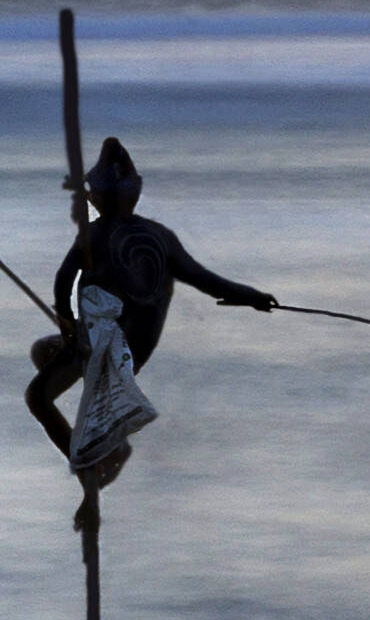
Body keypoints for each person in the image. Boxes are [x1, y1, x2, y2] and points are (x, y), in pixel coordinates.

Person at [21, 138, 279, 490]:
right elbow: (208, 281)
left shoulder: (95, 234)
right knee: (44, 350)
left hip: (104, 348)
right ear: (136, 192)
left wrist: (66, 317)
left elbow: (64, 279)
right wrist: (252, 297)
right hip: (126, 347)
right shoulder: (161, 237)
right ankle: (106, 426)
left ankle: (87, 463)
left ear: (94, 196)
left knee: (37, 397)